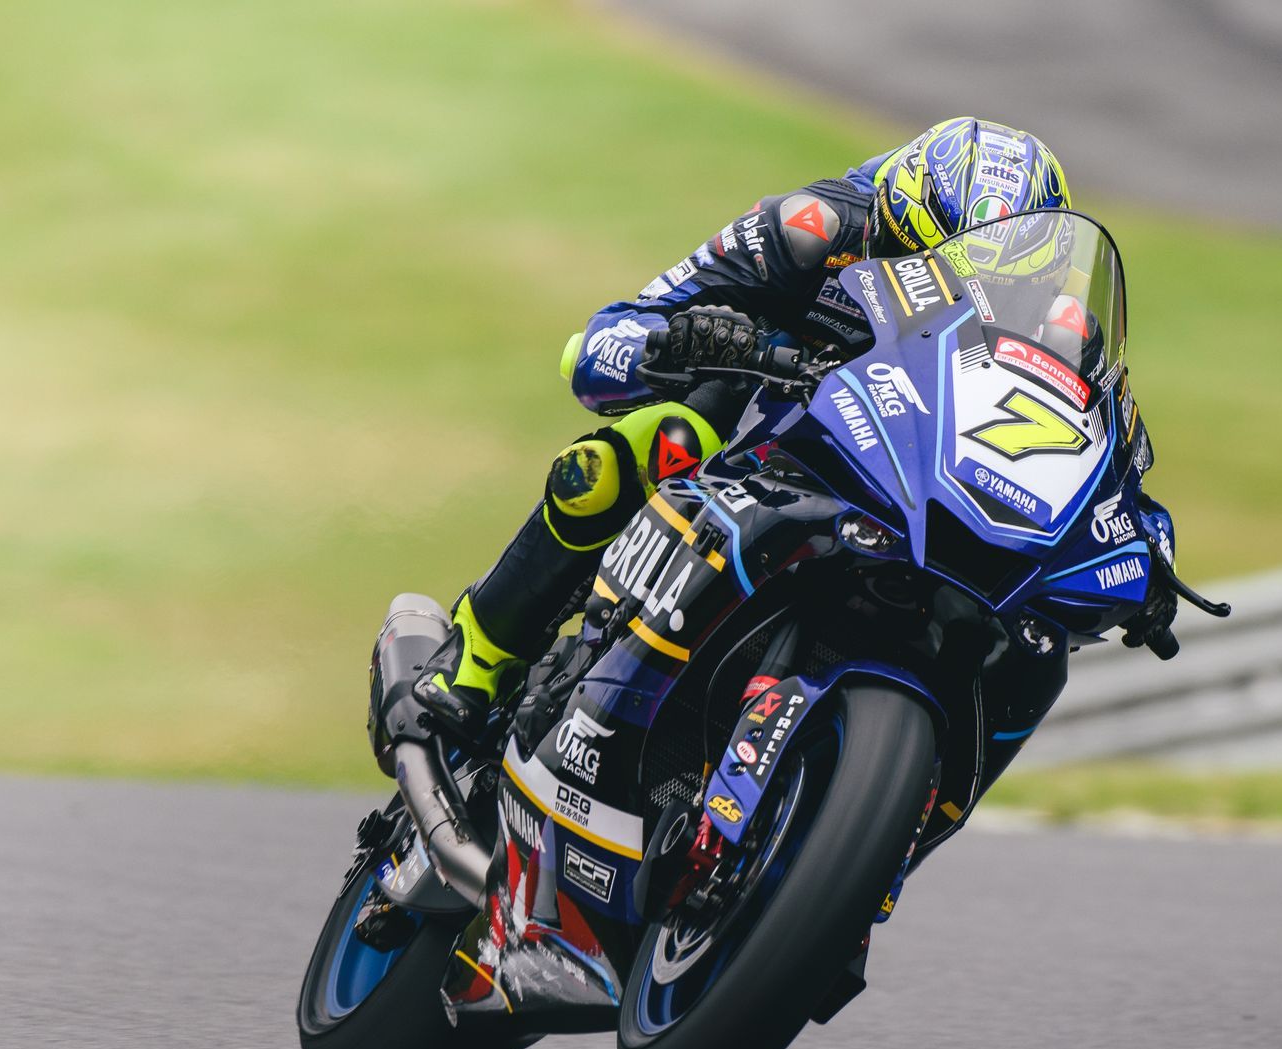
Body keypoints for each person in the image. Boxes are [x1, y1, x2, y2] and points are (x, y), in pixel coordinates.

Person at [387, 116, 1179, 751]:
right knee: (643, 443)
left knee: (1031, 650)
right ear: (891, 221)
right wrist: (673, 345)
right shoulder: (811, 227)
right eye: (926, 262)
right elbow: (596, 344)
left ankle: (858, 886)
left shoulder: (1058, 318)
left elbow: (1104, 450)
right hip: (768, 447)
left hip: (918, 500)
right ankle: (480, 658)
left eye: (993, 278)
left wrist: (1148, 543)